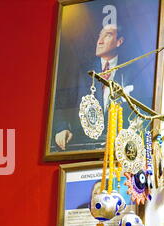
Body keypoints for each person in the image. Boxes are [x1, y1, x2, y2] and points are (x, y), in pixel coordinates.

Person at [53, 23, 143, 152]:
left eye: (107, 35)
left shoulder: (132, 71)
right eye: (99, 36)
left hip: (119, 150)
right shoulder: (83, 71)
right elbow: (61, 105)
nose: (99, 42)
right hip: (82, 147)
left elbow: (140, 111)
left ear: (119, 41)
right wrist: (61, 128)